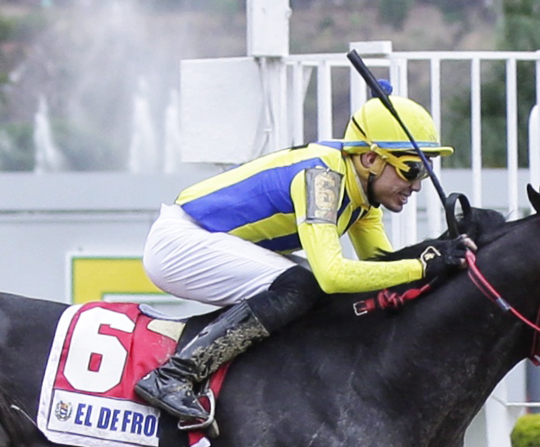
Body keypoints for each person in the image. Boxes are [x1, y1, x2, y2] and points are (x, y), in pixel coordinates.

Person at [135, 86, 476, 424]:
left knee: (321, 293)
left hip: (206, 241)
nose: (416, 186)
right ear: (370, 159)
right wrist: (422, 265)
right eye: (412, 170)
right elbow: (332, 274)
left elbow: (379, 268)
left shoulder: (362, 197)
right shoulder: (323, 178)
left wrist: (440, 262)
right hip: (180, 242)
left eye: (424, 172)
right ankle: (175, 375)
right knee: (302, 285)